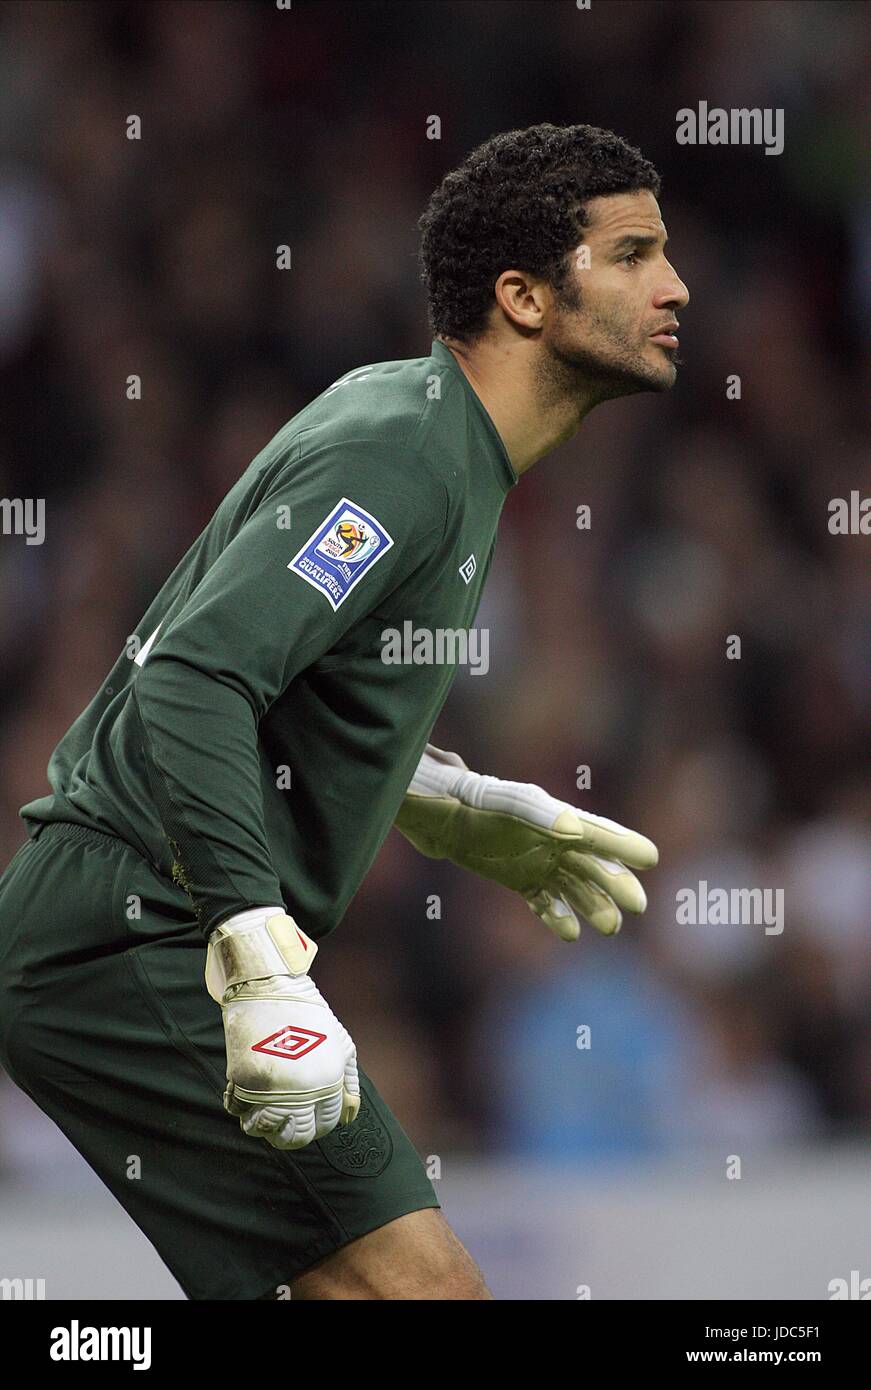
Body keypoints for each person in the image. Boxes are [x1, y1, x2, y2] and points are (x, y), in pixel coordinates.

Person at [0, 123, 688, 1301]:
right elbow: (191, 676)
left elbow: (270, 681)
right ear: (522, 298)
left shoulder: (431, 433)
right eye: (631, 255)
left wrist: (441, 799)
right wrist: (258, 958)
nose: (673, 286)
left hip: (131, 924)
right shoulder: (406, 453)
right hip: (136, 925)